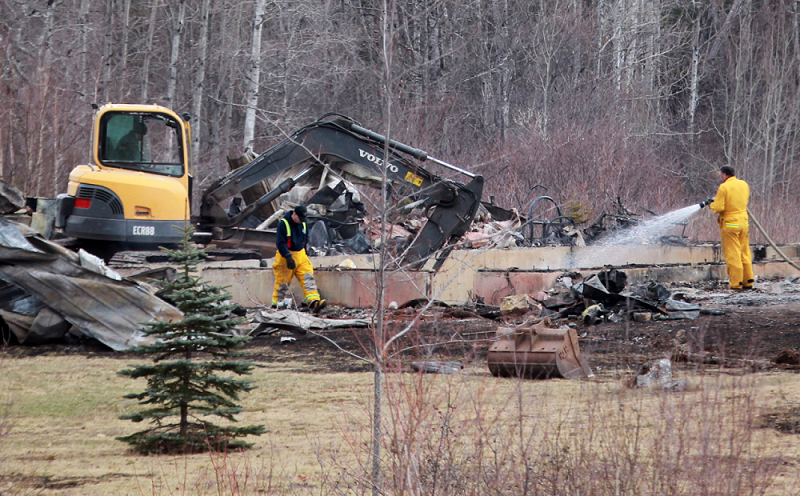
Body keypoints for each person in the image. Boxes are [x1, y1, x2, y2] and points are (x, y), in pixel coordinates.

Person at [700, 165, 754, 290]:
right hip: (744, 222)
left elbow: (718, 208)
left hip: (730, 224)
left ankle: (736, 283)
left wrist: (711, 204)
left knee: (733, 254)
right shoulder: (744, 184)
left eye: (721, 175)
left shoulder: (724, 187)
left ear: (725, 175)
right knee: (744, 251)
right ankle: (748, 281)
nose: (720, 177)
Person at [272, 205, 327, 311]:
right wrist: (288, 257)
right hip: (286, 256)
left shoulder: (303, 223)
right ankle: (277, 305)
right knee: (282, 283)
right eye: (300, 219)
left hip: (301, 255)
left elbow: (304, 239)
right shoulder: (283, 224)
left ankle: (314, 301)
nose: (301, 221)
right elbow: (280, 242)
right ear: (294, 214)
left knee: (308, 278)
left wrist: (305, 254)